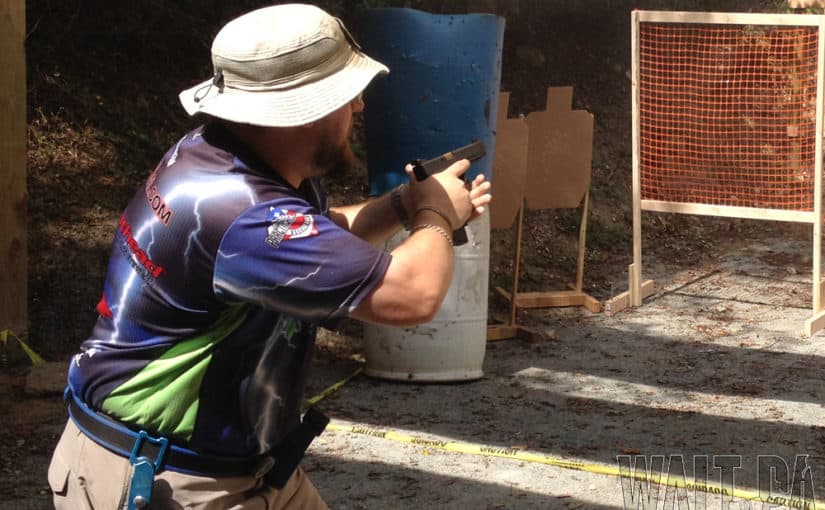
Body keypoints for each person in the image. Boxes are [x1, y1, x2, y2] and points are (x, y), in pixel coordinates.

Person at [48, 3, 492, 509]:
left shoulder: (226, 160)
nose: (360, 108)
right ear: (304, 112)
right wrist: (435, 215)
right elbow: (412, 295)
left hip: (233, 468)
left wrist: (401, 204)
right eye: (346, 96)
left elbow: (315, 244)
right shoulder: (243, 211)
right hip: (170, 481)